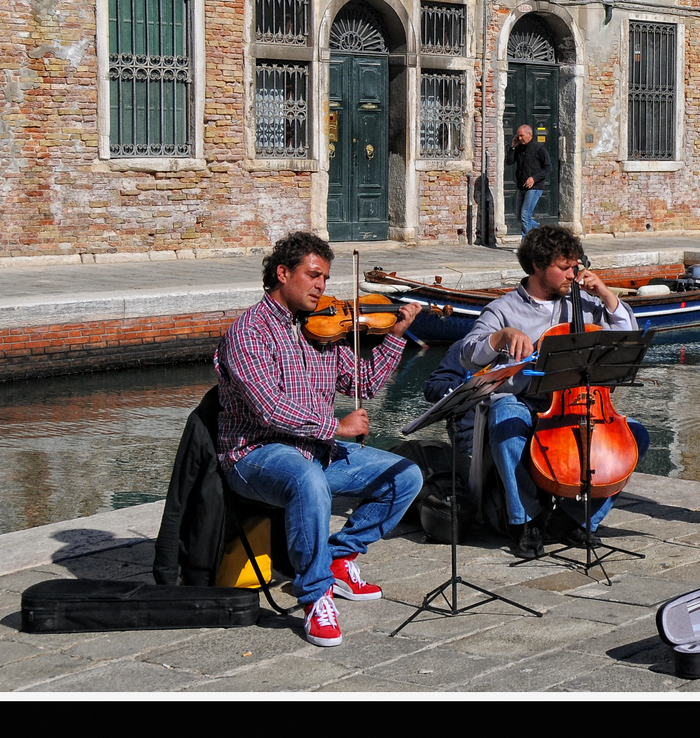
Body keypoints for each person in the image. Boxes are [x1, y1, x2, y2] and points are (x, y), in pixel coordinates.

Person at [215, 231, 424, 649]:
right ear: (282, 273)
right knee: (306, 479)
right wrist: (336, 428)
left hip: (315, 450)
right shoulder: (248, 332)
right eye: (313, 276)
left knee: (406, 474)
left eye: (325, 278)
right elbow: (269, 409)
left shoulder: (321, 329)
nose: (321, 287)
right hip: (256, 453)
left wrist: (396, 335)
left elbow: (362, 380)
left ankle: (341, 557)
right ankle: (315, 595)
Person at [453, 225, 645, 559]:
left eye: (576, 265)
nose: (574, 273)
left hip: (580, 403)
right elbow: (468, 354)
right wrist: (500, 338)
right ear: (539, 266)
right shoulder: (504, 309)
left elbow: (626, 340)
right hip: (525, 400)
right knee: (505, 418)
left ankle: (574, 519)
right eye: (565, 266)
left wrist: (607, 295)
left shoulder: (585, 303)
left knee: (636, 438)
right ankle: (527, 520)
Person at [512, 124, 551, 237]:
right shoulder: (519, 148)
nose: (519, 138)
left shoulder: (539, 148)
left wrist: (534, 178)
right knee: (520, 217)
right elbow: (509, 161)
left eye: (521, 136)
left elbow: (548, 167)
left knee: (525, 216)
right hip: (522, 187)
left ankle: (527, 245)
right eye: (518, 136)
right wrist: (513, 147)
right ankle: (543, 230)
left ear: (530, 134)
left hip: (535, 187)